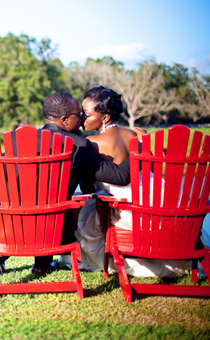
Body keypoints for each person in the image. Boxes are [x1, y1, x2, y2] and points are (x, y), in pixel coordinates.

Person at [65, 86, 209, 277]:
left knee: (87, 212)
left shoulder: (93, 144)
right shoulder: (133, 135)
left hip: (130, 210)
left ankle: (106, 255)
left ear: (105, 117)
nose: (83, 118)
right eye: (82, 113)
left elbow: (87, 186)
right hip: (156, 199)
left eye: (87, 114)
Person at [0, 91, 132, 275]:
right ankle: (41, 264)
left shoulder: (17, 141)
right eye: (78, 115)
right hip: (53, 231)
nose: (81, 119)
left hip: (6, 229)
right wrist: (136, 146)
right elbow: (120, 176)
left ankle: (4, 259)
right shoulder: (78, 145)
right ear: (64, 120)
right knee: (53, 210)